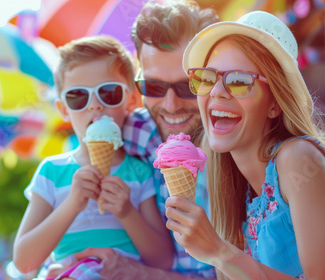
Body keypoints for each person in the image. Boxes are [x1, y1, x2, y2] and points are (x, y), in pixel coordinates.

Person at [165, 11, 325, 279]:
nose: (216, 91)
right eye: (207, 78)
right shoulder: (243, 193)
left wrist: (219, 252)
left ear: (274, 104)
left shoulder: (298, 159)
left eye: (238, 81)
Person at [73, 1, 220, 279]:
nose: (171, 104)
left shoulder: (239, 154)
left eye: (187, 86)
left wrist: (138, 274)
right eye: (153, 86)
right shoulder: (131, 132)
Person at [12, 35, 173, 277]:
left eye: (108, 93)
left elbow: (162, 260)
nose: (95, 105)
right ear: (64, 109)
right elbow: (24, 262)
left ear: (130, 100)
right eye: (78, 96)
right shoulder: (51, 172)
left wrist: (127, 212)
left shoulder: (139, 172)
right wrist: (71, 204)